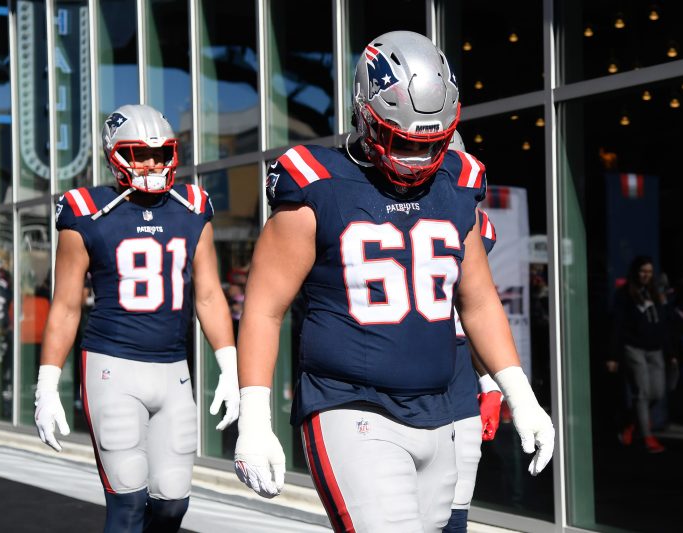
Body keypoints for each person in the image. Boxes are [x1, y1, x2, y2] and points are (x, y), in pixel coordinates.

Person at [232, 31, 554, 533]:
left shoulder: (458, 183)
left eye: (432, 143)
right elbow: (264, 308)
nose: (419, 158)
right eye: (403, 141)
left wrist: (520, 393)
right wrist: (254, 416)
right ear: (365, 115)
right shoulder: (317, 183)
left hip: (439, 411)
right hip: (351, 404)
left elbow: (479, 301)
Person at [33, 104, 239, 532]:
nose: (153, 164)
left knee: (172, 503)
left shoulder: (192, 206)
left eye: (161, 154)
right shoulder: (85, 209)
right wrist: (47, 385)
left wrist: (230, 367)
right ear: (115, 156)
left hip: (173, 369)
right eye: (140, 154)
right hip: (113, 366)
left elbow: (208, 295)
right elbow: (67, 305)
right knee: (127, 500)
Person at [443, 133, 503, 533]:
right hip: (386, 374)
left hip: (456, 371)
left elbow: (474, 310)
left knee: (455, 508)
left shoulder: (476, 227)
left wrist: (491, 383)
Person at [607, 255, 674, 453]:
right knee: (642, 392)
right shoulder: (625, 294)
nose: (646, 275)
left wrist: (671, 352)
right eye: (643, 271)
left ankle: (630, 422)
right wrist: (613, 355)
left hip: (655, 349)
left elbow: (663, 324)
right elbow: (617, 325)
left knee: (658, 391)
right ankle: (647, 437)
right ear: (636, 272)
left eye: (649, 272)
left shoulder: (654, 293)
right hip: (634, 348)